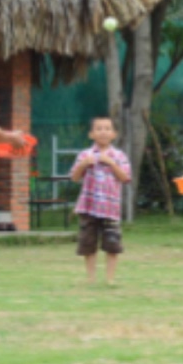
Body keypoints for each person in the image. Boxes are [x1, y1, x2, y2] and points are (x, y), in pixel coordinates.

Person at [69, 116, 130, 286]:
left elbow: (125, 177)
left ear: (114, 134)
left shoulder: (119, 156)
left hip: (111, 208)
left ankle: (110, 278)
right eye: (99, 128)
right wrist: (83, 165)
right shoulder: (85, 155)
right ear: (91, 134)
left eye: (107, 128)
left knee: (112, 243)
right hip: (88, 207)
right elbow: (74, 177)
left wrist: (111, 163)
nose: (103, 132)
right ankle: (91, 278)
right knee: (88, 243)